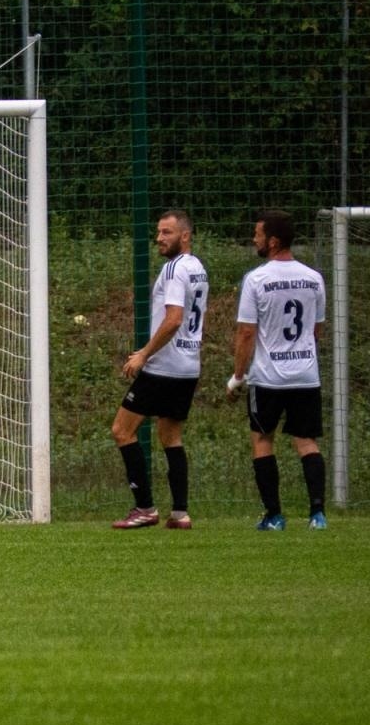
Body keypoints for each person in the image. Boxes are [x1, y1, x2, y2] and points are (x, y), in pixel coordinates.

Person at [228, 208, 329, 530]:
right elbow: (317, 330)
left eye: (258, 234)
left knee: (262, 439)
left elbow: (246, 333)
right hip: (305, 375)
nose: (254, 239)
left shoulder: (257, 279)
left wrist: (238, 376)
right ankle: (317, 515)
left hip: (269, 378)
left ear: (272, 241)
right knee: (306, 441)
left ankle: (274, 516)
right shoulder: (313, 278)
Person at [111, 209, 210, 530]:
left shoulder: (174, 269)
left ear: (185, 235)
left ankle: (145, 508)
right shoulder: (198, 268)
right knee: (171, 437)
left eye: (167, 232)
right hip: (188, 366)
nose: (159, 238)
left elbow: (174, 319)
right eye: (158, 232)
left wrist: (143, 354)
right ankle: (180, 513)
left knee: (122, 430)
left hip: (163, 366)